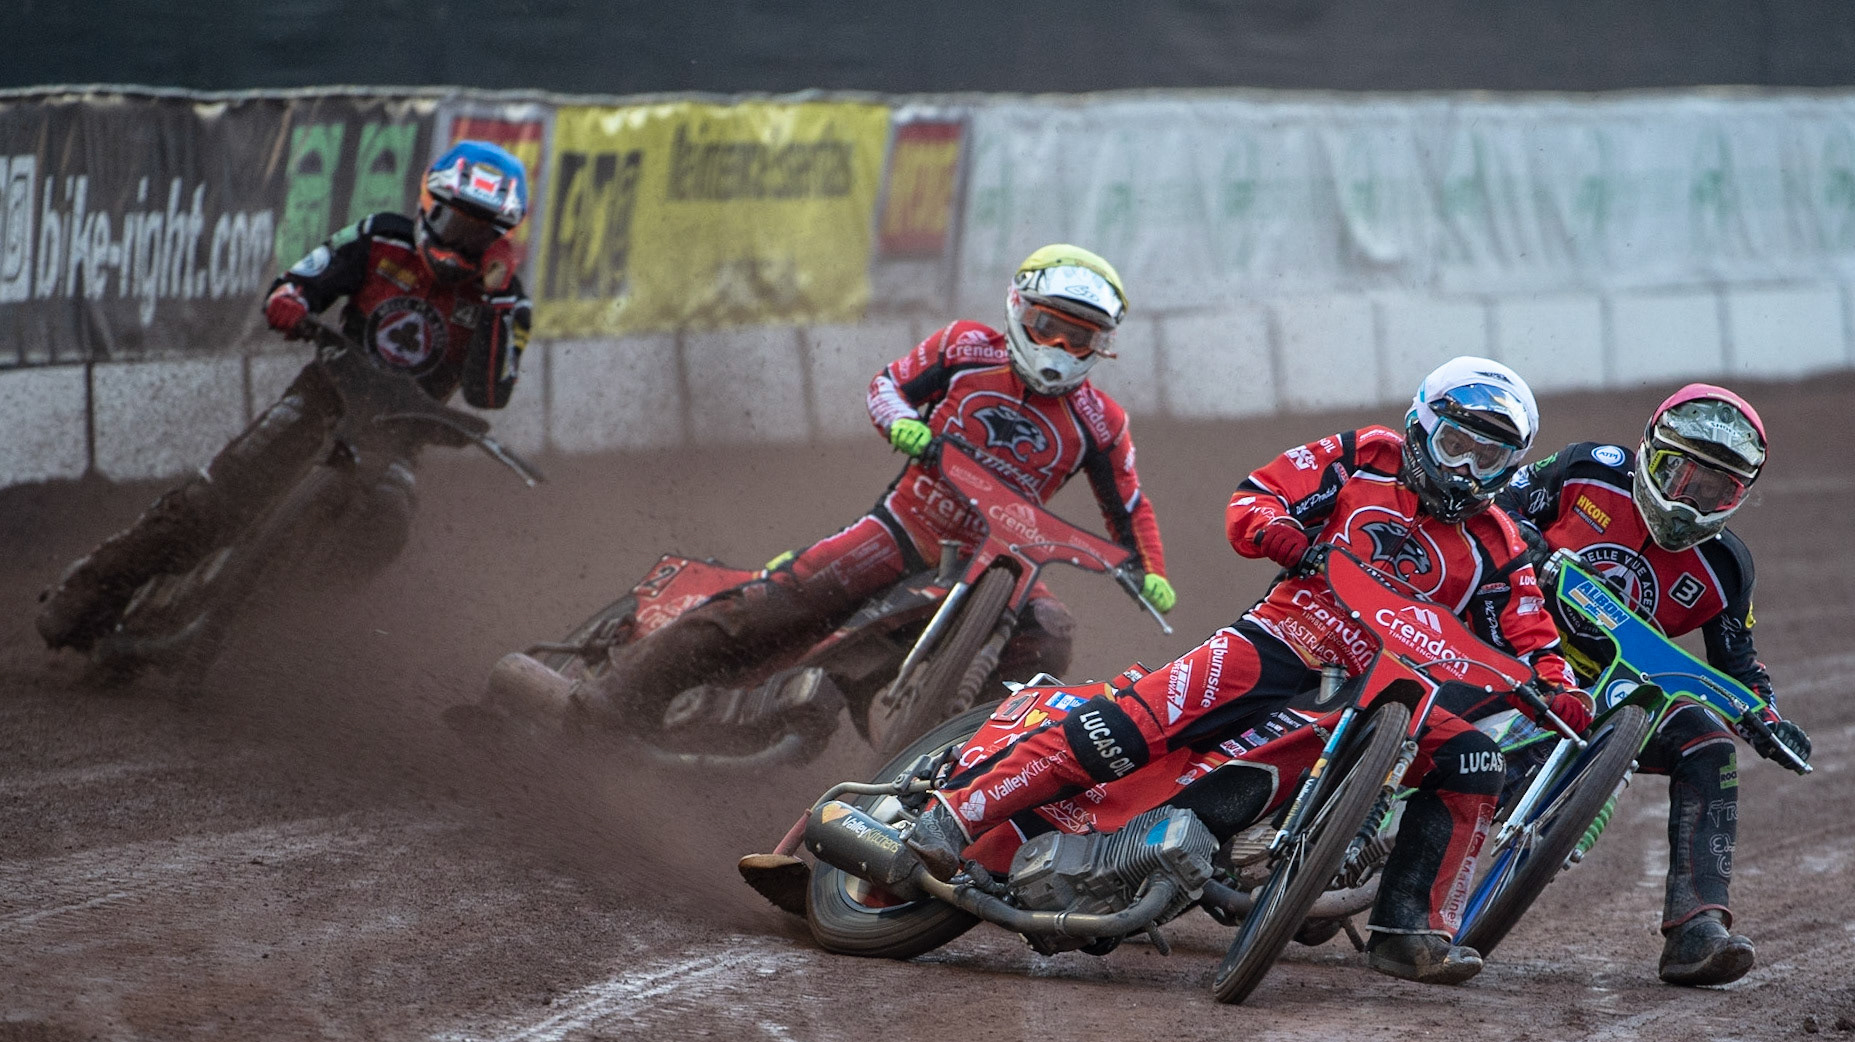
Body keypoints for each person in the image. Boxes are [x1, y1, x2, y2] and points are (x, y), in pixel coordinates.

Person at [912, 357, 1591, 986]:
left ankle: (1409, 930)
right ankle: (958, 812)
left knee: (1476, 761)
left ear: (1510, 467)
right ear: (1421, 427)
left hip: (1394, 687)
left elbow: (1529, 631)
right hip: (1286, 634)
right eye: (1454, 446)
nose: (1465, 471)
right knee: (1132, 727)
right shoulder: (1363, 455)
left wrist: (1559, 687)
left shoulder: (1497, 542)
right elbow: (1257, 496)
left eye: (1488, 457)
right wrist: (1286, 535)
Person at [571, 244, 1173, 733]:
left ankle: (954, 765)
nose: (1061, 349)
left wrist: (1150, 571)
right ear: (1018, 309)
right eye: (1048, 327)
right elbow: (888, 385)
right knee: (767, 611)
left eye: (1082, 338)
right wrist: (904, 425)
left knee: (1049, 641)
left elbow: (1128, 505)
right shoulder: (964, 347)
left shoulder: (1102, 421)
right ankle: (611, 704)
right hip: (905, 530)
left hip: (1001, 564)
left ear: (1104, 346)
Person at [37, 140, 534, 653]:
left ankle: (277, 627)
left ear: (500, 241)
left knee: (387, 524)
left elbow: (489, 393)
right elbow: (304, 280)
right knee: (212, 503)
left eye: (479, 233)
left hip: (400, 434)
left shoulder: (508, 300)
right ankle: (88, 589)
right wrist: (291, 299)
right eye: (456, 223)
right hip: (325, 394)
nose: (463, 241)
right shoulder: (381, 235)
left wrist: (496, 301)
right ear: (430, 206)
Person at [1498, 384, 1810, 986]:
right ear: (1648, 450)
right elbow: (1496, 505)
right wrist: (1525, 541)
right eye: (1678, 475)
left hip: (1620, 694)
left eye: (1715, 489)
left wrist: (1767, 718)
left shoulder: (1728, 567)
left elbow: (1738, 662)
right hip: (1512, 644)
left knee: (1711, 747)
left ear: (1737, 498)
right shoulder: (1587, 469)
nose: (1688, 500)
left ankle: (1697, 929)